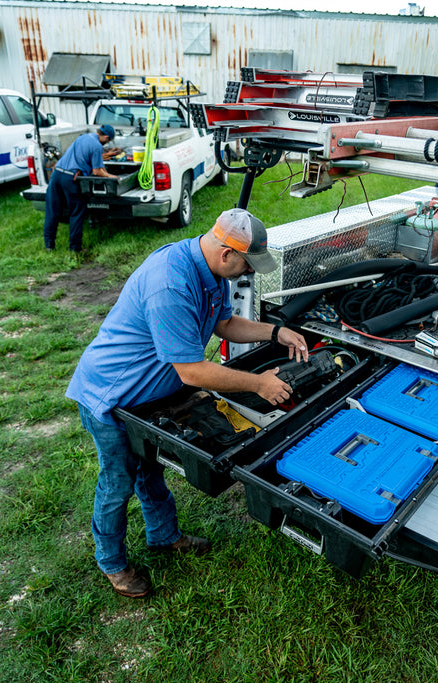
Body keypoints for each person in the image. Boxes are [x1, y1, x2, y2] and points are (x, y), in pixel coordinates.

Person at [66, 208, 310, 599]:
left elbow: (224, 324)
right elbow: (192, 373)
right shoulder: (171, 284)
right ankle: (111, 561)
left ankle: (163, 535)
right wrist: (258, 384)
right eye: (248, 264)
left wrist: (275, 332)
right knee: (118, 483)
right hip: (112, 395)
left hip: (147, 397)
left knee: (150, 470)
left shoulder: (210, 272)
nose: (249, 273)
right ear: (227, 253)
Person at [43, 124, 120, 252]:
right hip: (70, 179)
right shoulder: (97, 146)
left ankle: (49, 246)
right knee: (76, 213)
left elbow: (80, 157)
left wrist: (84, 168)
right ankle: (75, 248)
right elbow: (97, 172)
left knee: (52, 211)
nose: (107, 144)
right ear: (105, 137)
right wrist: (113, 177)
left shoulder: (83, 137)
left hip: (57, 175)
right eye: (108, 140)